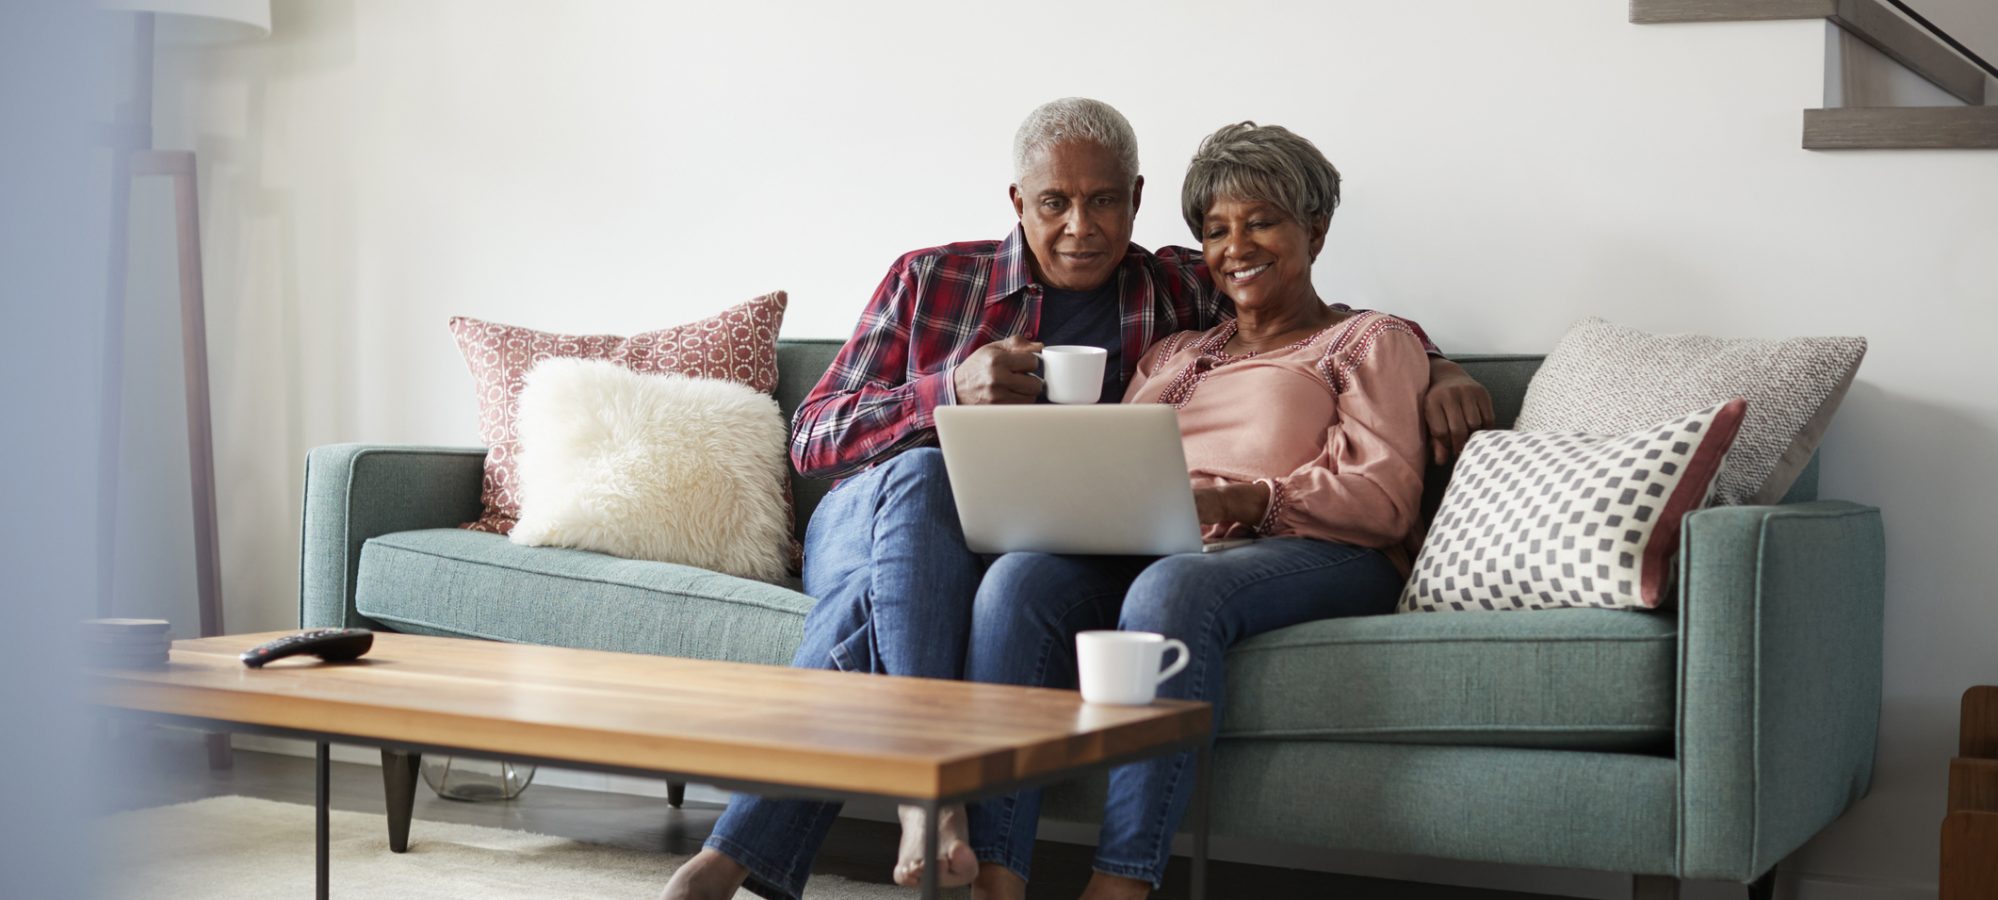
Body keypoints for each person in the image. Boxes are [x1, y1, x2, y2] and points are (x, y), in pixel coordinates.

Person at [662, 100, 1489, 900]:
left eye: (1103, 202)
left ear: (1134, 198)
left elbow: (1344, 333)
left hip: (1051, 539)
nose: (1080, 227)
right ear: (1019, 202)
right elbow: (811, 438)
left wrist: (1444, 371)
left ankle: (839, 855)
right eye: (1055, 203)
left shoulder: (1172, 293)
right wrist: (945, 390)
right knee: (925, 476)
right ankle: (930, 790)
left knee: (1008, 578)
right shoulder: (936, 279)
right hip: (873, 508)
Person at [958, 121, 1428, 900]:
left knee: (1172, 588)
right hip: (1171, 540)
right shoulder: (1174, 353)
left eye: (1261, 221)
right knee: (1019, 581)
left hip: (1321, 548)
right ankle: (995, 876)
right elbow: (1119, 460)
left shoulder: (1367, 341)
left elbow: (1383, 499)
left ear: (1316, 228)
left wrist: (1239, 499)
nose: (1235, 246)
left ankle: (1122, 882)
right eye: (1216, 230)